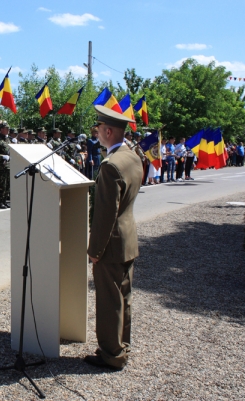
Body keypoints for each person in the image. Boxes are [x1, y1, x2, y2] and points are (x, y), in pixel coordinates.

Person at [85, 105, 143, 371]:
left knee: (109, 303)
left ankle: (111, 355)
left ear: (109, 131)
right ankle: (122, 346)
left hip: (111, 244)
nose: (96, 134)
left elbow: (105, 215)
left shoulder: (110, 166)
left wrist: (95, 250)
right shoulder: (132, 157)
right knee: (124, 299)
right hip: (128, 240)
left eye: (98, 130)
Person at [0, 122, 11, 209]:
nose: (8, 130)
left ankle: (4, 201)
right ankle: (0, 202)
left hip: (9, 166)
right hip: (1, 166)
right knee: (1, 185)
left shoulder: (8, 140)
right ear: (1, 129)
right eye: (6, 128)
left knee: (7, 185)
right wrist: (2, 156)